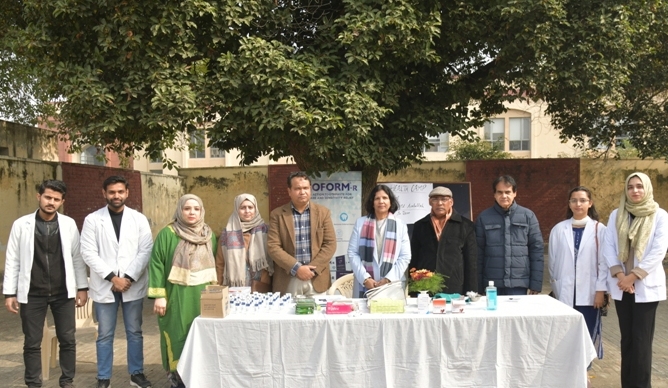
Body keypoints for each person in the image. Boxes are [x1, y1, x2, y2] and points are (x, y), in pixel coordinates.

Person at [3, 180, 88, 388]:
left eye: (56, 199)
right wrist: (9, 293)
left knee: (67, 339)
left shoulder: (68, 224)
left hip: (63, 292)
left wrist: (82, 287)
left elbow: (77, 258)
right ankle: (33, 383)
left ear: (62, 201)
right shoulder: (21, 224)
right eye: (48, 197)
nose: (51, 202)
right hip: (32, 293)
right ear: (38, 196)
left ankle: (67, 381)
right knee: (32, 342)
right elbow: (12, 259)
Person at [80, 176, 153, 388]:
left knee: (134, 332)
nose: (116, 196)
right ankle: (103, 377)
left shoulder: (139, 219)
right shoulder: (93, 219)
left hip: (132, 285)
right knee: (104, 334)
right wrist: (113, 277)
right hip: (106, 285)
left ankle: (136, 374)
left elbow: (146, 250)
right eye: (112, 192)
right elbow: (88, 252)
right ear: (104, 193)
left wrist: (127, 278)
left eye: (120, 191)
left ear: (127, 193)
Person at [601, 172, 667, 388]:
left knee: (641, 341)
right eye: (630, 187)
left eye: (639, 186)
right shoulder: (616, 214)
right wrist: (621, 276)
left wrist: (632, 276)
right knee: (626, 340)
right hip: (622, 286)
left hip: (644, 286)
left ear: (646, 188)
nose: (635, 190)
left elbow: (658, 250)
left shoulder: (660, 215)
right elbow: (609, 246)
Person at [149, 194, 217, 388]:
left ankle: (201, 378)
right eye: (187, 208)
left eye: (196, 208)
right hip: (176, 295)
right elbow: (156, 264)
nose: (192, 212)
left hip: (203, 296)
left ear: (202, 210)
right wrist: (159, 296)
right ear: (180, 210)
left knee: (202, 337)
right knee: (177, 333)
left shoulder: (209, 235)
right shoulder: (168, 234)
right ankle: (177, 379)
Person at [548, 186, 608, 360]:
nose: (578, 204)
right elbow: (552, 262)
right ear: (569, 204)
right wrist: (557, 287)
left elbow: (604, 263)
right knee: (565, 336)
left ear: (590, 203)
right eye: (574, 200)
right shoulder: (559, 229)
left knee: (587, 335)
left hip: (589, 294)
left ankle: (585, 373)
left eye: (582, 200)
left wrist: (600, 291)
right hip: (564, 293)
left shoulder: (600, 230)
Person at [267, 171, 337, 295]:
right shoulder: (277, 215)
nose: (302, 192)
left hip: (317, 278)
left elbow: (330, 244)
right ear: (289, 191)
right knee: (288, 314)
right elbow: (273, 247)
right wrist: (297, 268)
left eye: (305, 188)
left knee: (318, 313)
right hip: (288, 279)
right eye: (297, 188)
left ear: (310, 189)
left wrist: (312, 270)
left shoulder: (323, 213)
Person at [476, 175, 544, 295]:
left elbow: (537, 251)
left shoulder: (528, 216)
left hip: (519, 283)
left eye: (508, 192)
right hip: (492, 284)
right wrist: (478, 285)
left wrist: (535, 284)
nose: (504, 196)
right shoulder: (484, 217)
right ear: (494, 194)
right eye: (500, 192)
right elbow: (478, 253)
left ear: (515, 193)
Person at [409, 186, 477, 294]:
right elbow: (414, 257)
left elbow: (471, 261)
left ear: (451, 202)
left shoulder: (465, 225)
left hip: (455, 286)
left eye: (444, 199)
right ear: (429, 202)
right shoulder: (420, 225)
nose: (439, 203)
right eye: (435, 199)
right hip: (426, 286)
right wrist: (412, 288)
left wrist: (471, 290)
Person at [348, 184, 411, 298]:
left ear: (390, 202)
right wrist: (365, 278)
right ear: (372, 202)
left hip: (392, 284)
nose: (381, 201)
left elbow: (405, 256)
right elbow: (353, 253)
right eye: (377, 198)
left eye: (385, 198)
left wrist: (388, 279)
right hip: (365, 285)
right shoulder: (360, 223)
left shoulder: (400, 225)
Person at [216, 193, 273, 292]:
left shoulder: (266, 231)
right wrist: (219, 286)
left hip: (262, 287)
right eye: (242, 208)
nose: (247, 211)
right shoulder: (227, 233)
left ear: (255, 209)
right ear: (236, 210)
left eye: (250, 207)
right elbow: (220, 263)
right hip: (235, 289)